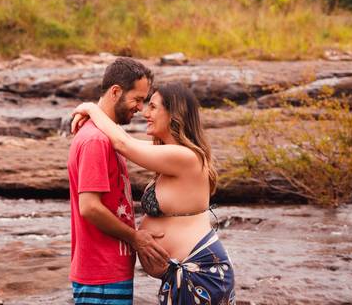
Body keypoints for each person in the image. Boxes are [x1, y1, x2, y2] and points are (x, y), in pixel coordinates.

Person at [72, 83, 235, 305]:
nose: (145, 113)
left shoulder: (185, 157)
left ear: (174, 114)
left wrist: (92, 109)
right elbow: (124, 139)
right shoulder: (171, 153)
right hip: (183, 273)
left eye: (153, 107)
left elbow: (123, 144)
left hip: (200, 272)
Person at [67, 57, 170, 305]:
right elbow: (89, 207)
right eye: (137, 99)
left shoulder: (107, 136)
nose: (140, 108)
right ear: (115, 92)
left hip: (109, 271)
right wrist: (135, 238)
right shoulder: (96, 140)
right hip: (101, 275)